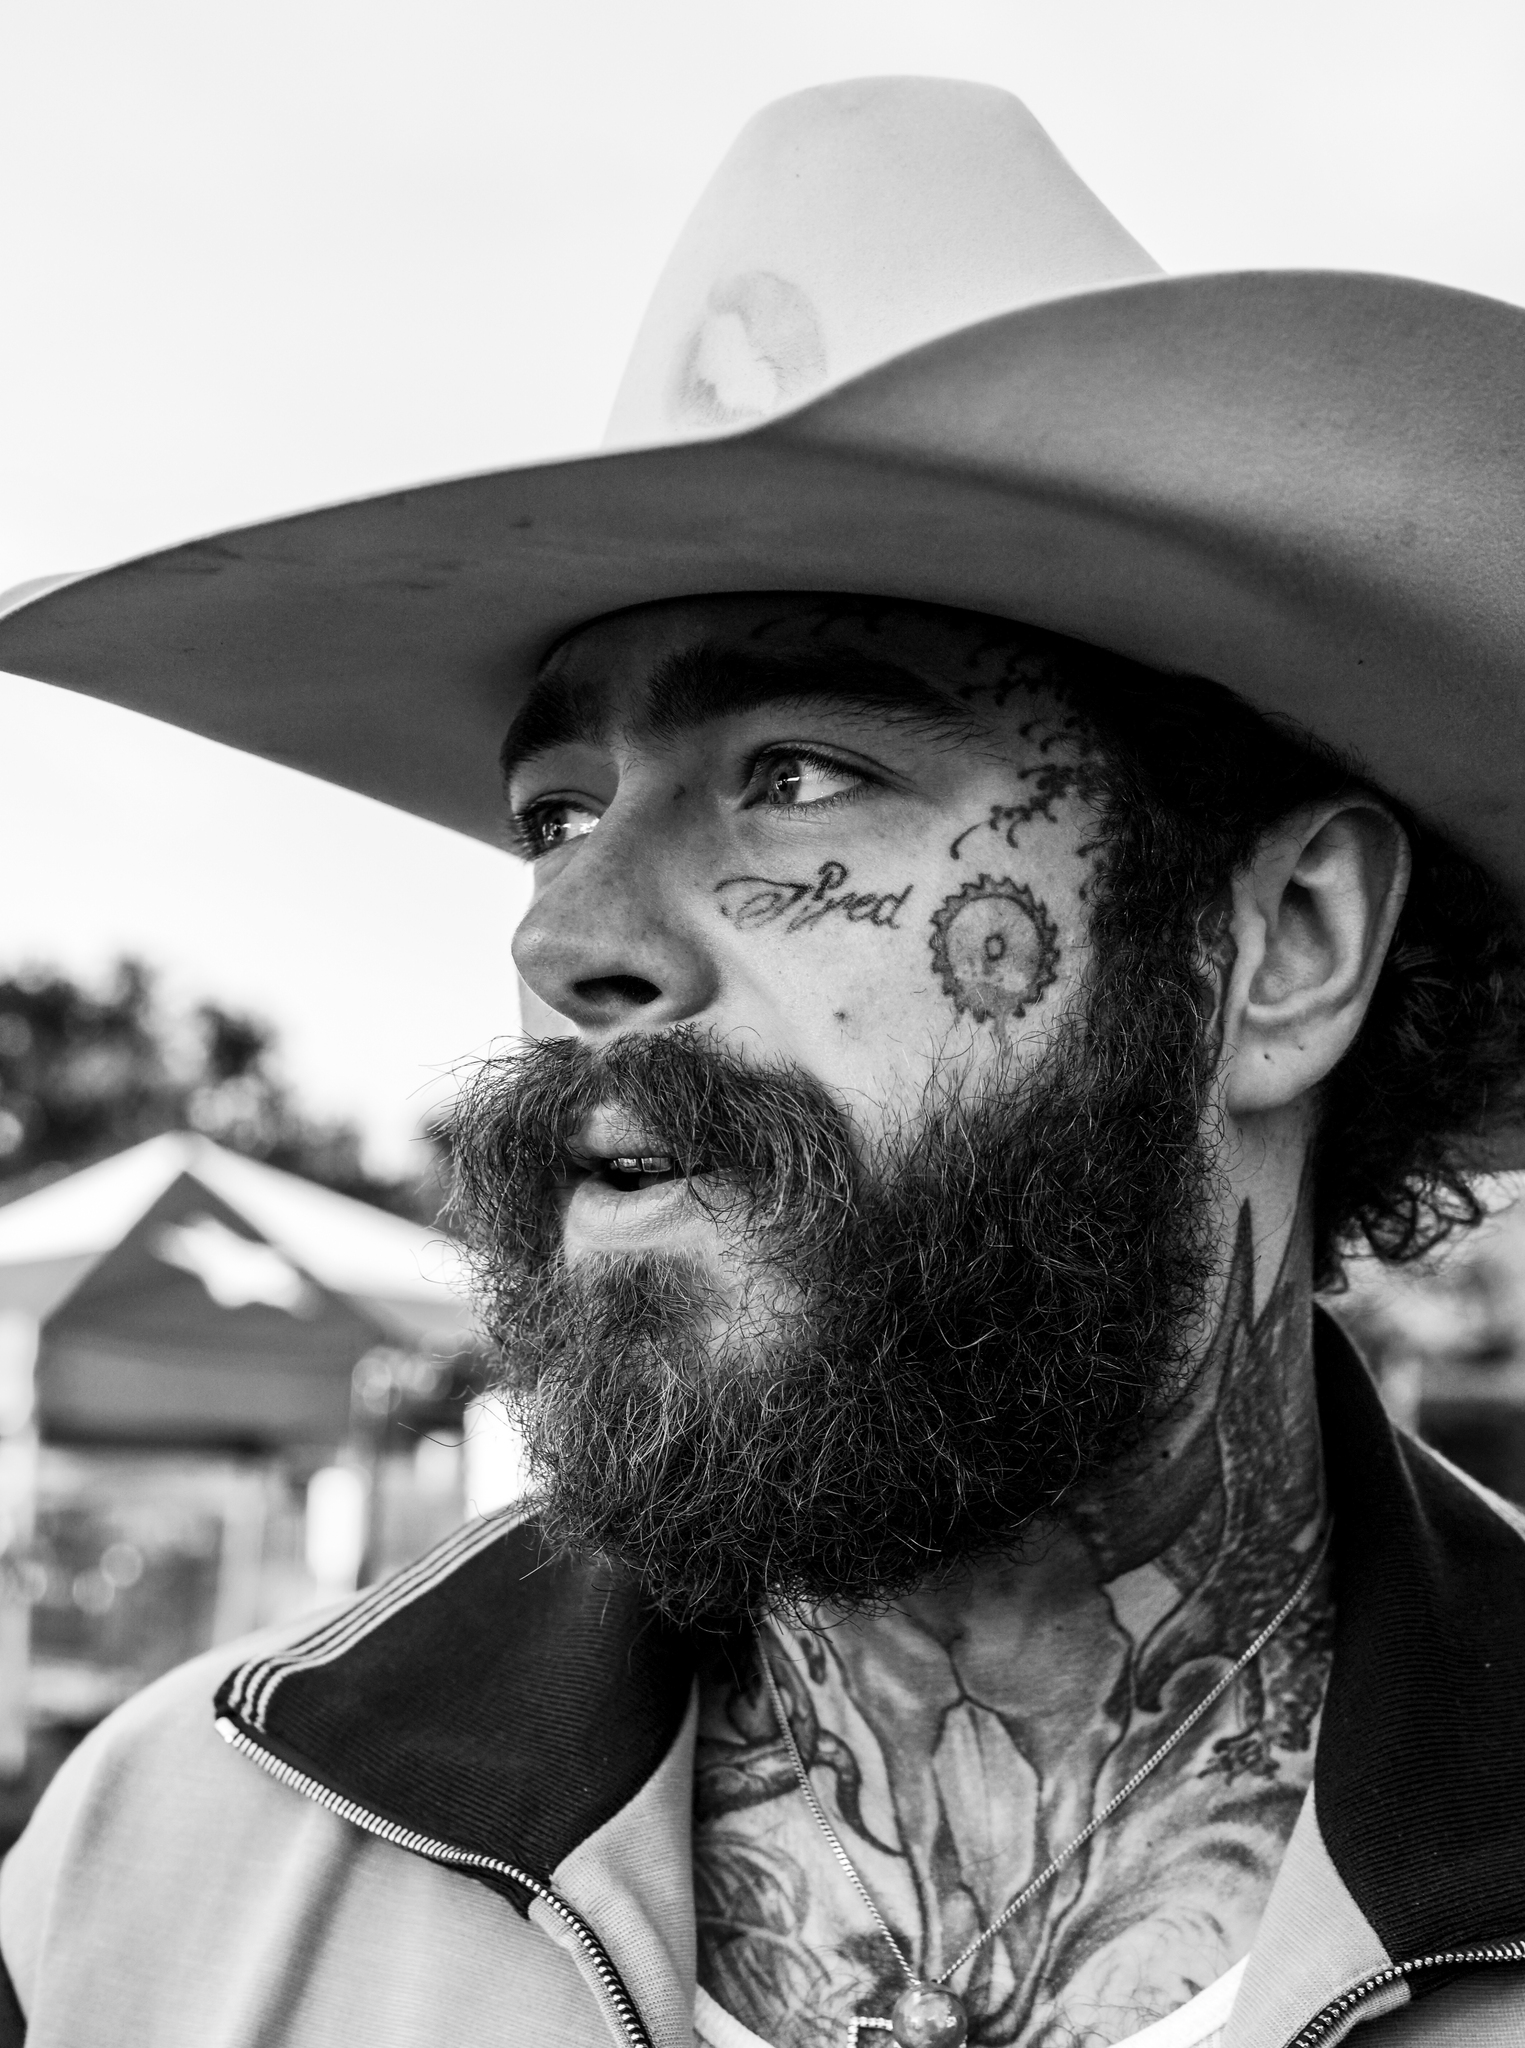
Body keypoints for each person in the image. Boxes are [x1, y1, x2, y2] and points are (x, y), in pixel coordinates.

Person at [2, 74, 1525, 2048]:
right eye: (556, 813)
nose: (566, 936)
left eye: (797, 775)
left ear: (1283, 946)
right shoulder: (166, 1872)